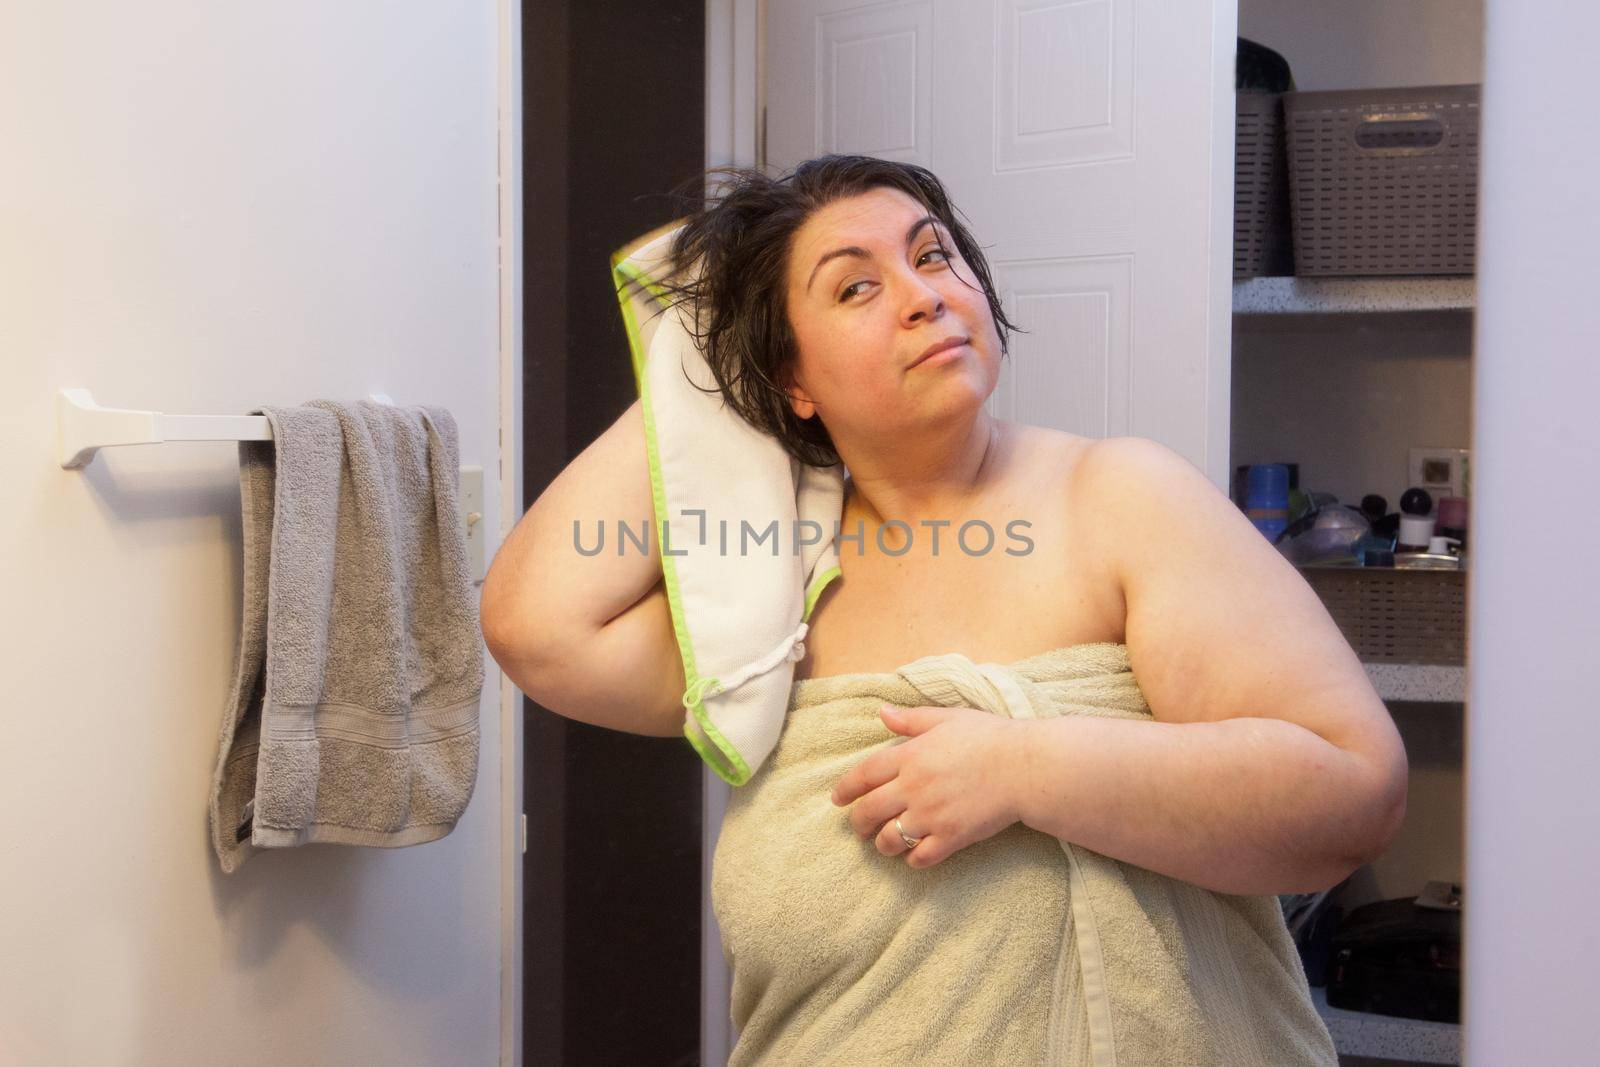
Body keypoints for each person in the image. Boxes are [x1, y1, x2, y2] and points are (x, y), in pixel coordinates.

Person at [481, 154, 1407, 1063]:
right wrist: (698, 359)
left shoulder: (1121, 499)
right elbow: (535, 627)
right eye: (854, 289)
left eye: (932, 256)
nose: (923, 294)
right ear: (792, 380)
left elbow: (1351, 793)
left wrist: (1026, 769)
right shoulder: (770, 581)